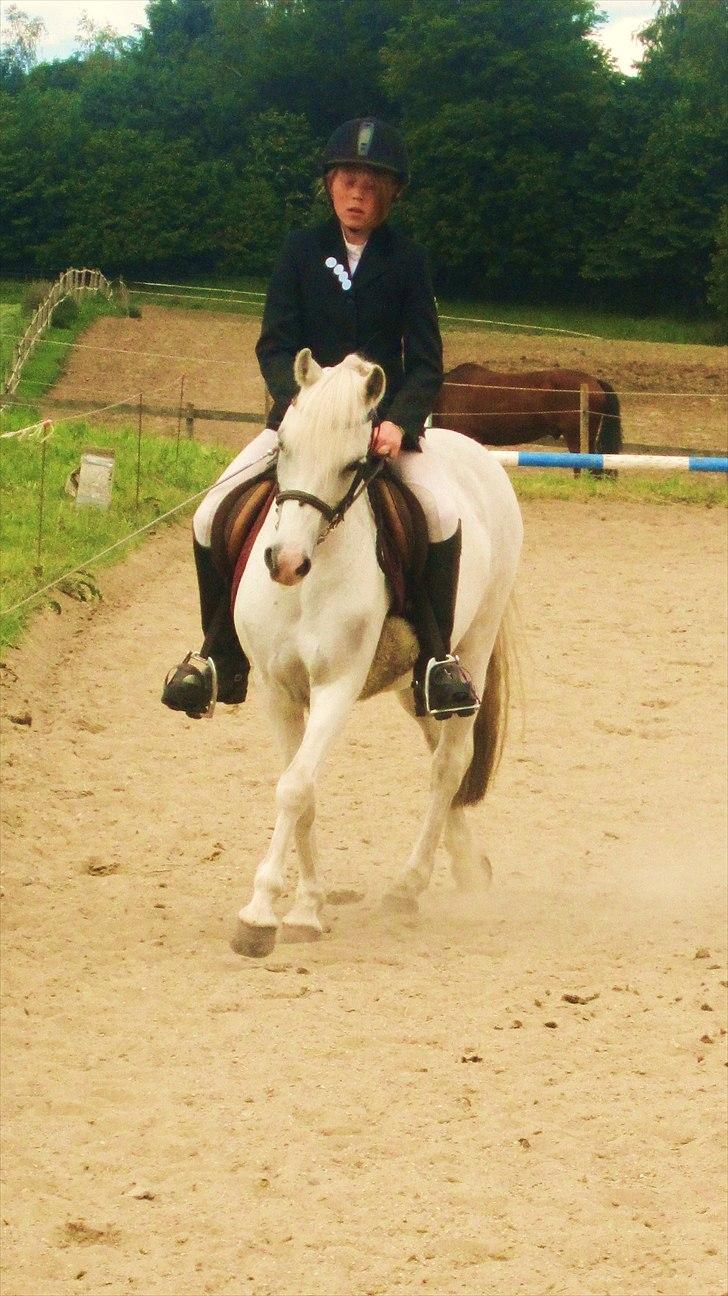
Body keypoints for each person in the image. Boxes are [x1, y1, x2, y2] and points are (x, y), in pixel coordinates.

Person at [162, 117, 479, 720]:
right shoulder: (300, 251)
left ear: (391, 195)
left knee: (440, 512)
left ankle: (437, 661)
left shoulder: (408, 261)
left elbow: (427, 362)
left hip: (378, 429)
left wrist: (401, 423)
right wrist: (298, 404)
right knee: (209, 513)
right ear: (330, 186)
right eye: (348, 182)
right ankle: (217, 654)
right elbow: (274, 346)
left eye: (372, 185)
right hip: (305, 424)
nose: (359, 195)